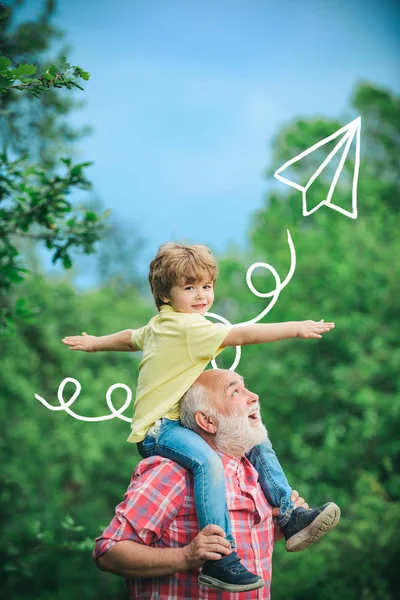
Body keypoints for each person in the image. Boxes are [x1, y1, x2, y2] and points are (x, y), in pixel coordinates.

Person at [63, 243, 339, 592]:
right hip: (159, 429)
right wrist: (296, 327)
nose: (201, 295)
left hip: (170, 424)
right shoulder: (190, 330)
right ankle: (219, 558)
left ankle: (289, 514)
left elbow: (128, 339)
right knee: (207, 462)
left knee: (256, 440)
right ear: (164, 294)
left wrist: (96, 342)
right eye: (189, 287)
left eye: (206, 286)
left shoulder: (159, 326)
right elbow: (244, 333)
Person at [93, 369, 338, 599]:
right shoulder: (171, 472)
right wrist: (186, 556)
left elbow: (237, 545)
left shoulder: (253, 473)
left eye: (246, 388)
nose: (253, 396)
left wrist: (272, 528)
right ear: (208, 421)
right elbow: (108, 552)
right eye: (235, 392)